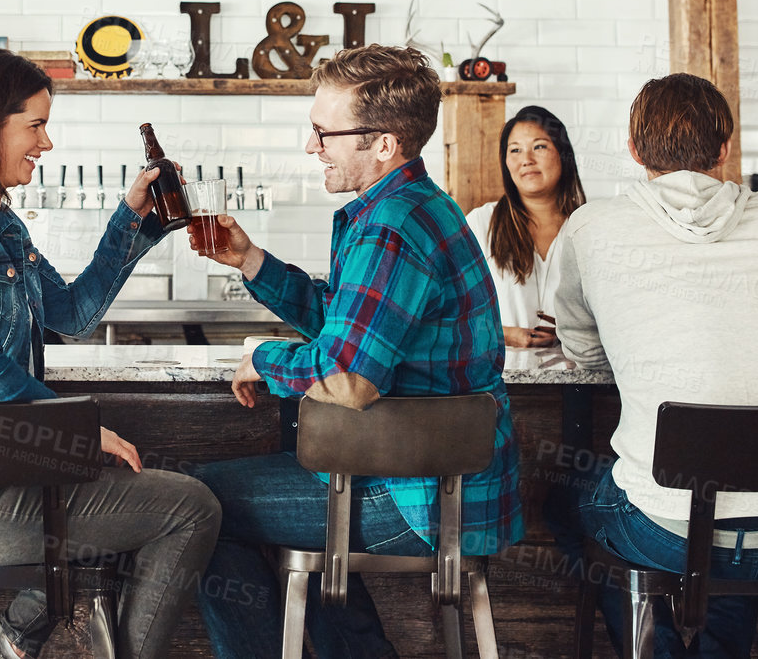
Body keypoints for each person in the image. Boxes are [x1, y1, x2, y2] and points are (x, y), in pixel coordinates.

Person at [0, 47, 220, 659]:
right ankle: (9, 640)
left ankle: (4, 641)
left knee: (145, 502)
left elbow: (74, 314)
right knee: (189, 508)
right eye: (35, 125)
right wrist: (80, 433)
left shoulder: (0, 224)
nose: (47, 143)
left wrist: (132, 219)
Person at [190, 44, 523, 659]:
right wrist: (250, 261)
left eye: (324, 132)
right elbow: (354, 325)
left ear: (384, 145)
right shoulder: (412, 208)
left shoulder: (390, 227)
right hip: (435, 486)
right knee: (276, 506)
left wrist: (263, 360)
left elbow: (348, 376)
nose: (312, 146)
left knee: (193, 504)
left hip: (417, 498)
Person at [551, 73, 758, 659]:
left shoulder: (590, 225)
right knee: (730, 501)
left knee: (568, 501)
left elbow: (584, 352)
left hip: (671, 528)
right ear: (724, 149)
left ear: (635, 151)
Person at [467, 105, 586, 349]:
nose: (527, 160)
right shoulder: (481, 223)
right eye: (515, 150)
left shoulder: (588, 226)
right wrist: (505, 335)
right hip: (502, 381)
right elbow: (450, 314)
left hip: (578, 381)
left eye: (539, 147)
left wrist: (569, 336)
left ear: (562, 154)